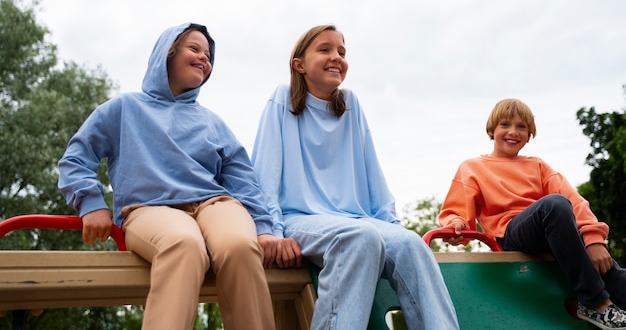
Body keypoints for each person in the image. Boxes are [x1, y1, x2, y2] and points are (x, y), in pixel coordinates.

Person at [58, 23, 278, 330]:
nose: (204, 58)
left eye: (209, 54)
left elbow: (243, 179)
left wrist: (264, 228)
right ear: (168, 53)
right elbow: (76, 157)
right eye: (195, 49)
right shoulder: (124, 108)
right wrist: (91, 203)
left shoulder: (212, 122)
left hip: (214, 205)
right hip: (150, 209)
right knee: (184, 244)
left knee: (240, 246)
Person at [252, 24, 459, 330]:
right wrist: (269, 229)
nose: (336, 57)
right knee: (360, 239)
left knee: (411, 244)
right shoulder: (282, 99)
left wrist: (394, 228)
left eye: (342, 52)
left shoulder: (351, 105)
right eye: (325, 49)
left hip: (356, 219)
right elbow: (264, 173)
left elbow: (372, 173)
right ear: (299, 64)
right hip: (300, 217)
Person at [439, 98, 626, 330]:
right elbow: (457, 211)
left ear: (529, 135)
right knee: (555, 205)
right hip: (512, 233)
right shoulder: (473, 167)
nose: (513, 132)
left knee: (611, 272)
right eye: (505, 125)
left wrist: (593, 239)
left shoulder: (538, 165)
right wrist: (455, 224)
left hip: (555, 232)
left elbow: (576, 202)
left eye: (521, 127)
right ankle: (595, 303)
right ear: (491, 130)